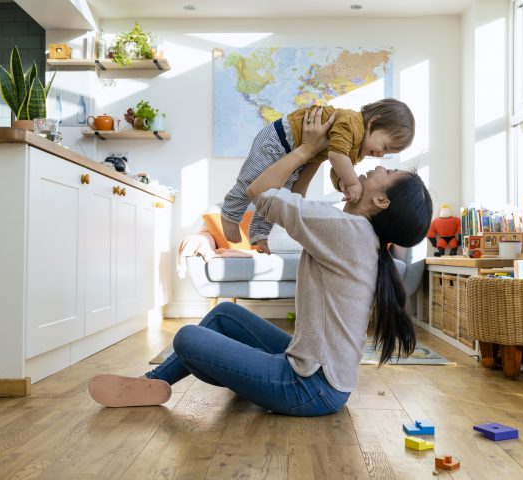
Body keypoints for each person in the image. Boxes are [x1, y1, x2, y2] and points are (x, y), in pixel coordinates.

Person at [88, 107, 433, 416]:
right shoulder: (355, 233)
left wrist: (306, 148)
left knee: (187, 338)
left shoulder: (346, 229)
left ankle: (223, 376)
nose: (377, 166)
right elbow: (291, 202)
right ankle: (153, 384)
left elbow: (260, 191)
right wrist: (315, 156)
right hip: (318, 377)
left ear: (381, 201)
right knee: (225, 315)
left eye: (386, 171)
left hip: (308, 387)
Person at [221, 99, 415, 254]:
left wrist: (341, 182)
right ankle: (230, 213)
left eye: (388, 153)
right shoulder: (352, 123)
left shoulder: (357, 151)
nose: (381, 156)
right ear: (373, 123)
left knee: (279, 193)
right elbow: (336, 156)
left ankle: (259, 232)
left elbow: (336, 166)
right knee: (251, 178)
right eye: (385, 147)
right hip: (280, 138)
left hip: (299, 151)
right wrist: (352, 181)